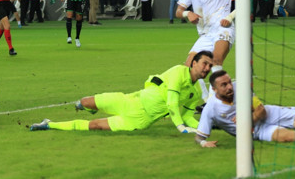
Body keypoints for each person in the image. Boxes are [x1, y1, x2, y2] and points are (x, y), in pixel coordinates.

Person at [29, 51, 213, 133]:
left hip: (139, 120)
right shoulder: (178, 72)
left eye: (210, 66)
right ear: (193, 63)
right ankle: (88, 107)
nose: (207, 68)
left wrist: (201, 127)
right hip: (131, 100)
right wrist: (181, 128)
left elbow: (188, 116)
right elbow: (172, 103)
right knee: (85, 102)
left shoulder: (196, 92)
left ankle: (49, 124)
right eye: (204, 63)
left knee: (94, 126)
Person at [176, 0, 236, 78]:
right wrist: (188, 13)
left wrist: (229, 17)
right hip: (205, 34)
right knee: (189, 68)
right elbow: (178, 11)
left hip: (223, 29)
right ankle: (204, 96)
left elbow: (244, 2)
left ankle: (216, 97)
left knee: (216, 61)